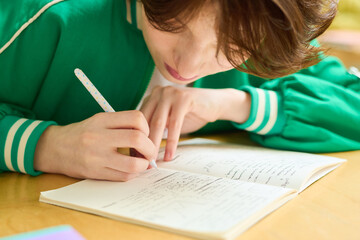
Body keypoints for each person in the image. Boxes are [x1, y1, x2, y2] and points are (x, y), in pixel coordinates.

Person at [0, 0, 359, 181]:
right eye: (172, 25)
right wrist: (43, 146)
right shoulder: (44, 18)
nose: (187, 67)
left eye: (230, 48)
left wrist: (234, 104)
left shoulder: (265, 35)